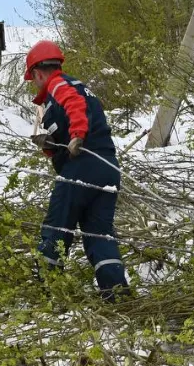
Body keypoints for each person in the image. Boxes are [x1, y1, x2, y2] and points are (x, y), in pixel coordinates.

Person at [26, 39, 129, 302]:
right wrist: (50, 147)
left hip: (81, 168)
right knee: (99, 234)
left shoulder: (59, 85)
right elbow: (68, 125)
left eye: (34, 79)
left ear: (38, 73)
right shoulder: (79, 87)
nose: (35, 84)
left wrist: (77, 136)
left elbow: (75, 108)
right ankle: (116, 296)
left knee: (57, 228)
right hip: (107, 169)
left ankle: (48, 294)